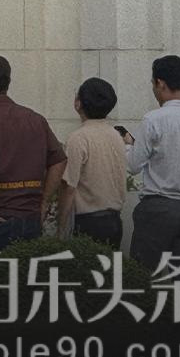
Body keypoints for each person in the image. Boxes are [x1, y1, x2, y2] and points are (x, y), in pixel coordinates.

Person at [0, 54, 66, 254]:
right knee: (23, 274)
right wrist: (44, 202)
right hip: (30, 219)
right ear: (8, 81)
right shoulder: (35, 119)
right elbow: (58, 160)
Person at [125, 55, 180, 272]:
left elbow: (133, 165)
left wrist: (126, 146)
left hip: (157, 208)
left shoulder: (153, 120)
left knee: (141, 276)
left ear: (160, 83)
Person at [56, 78, 127, 247]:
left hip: (88, 223)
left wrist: (60, 227)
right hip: (115, 221)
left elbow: (69, 187)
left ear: (78, 103)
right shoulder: (116, 136)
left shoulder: (78, 138)